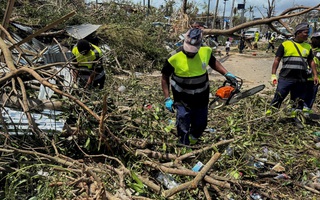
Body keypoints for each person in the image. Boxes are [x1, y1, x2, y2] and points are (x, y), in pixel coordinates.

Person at [161, 28, 238, 145]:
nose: (191, 53)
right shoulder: (173, 57)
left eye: (193, 51)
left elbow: (213, 62)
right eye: (188, 50)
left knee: (201, 124)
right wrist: (167, 98)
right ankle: (183, 145)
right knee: (183, 123)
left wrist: (226, 73)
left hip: (201, 98)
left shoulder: (205, 52)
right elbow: (164, 77)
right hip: (182, 99)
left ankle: (193, 138)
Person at [267, 22, 318, 128]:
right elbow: (277, 59)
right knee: (279, 97)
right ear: (298, 33)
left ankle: (295, 119)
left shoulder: (308, 47)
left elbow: (311, 62)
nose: (307, 35)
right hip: (286, 78)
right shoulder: (285, 44)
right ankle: (269, 117)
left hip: (301, 79)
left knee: (297, 101)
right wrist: (273, 75)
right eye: (305, 33)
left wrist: (315, 75)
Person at [303, 32, 320, 116]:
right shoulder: (308, 49)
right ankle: (301, 112)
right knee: (305, 95)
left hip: (313, 78)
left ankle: (304, 113)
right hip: (306, 77)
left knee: (310, 95)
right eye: (317, 39)